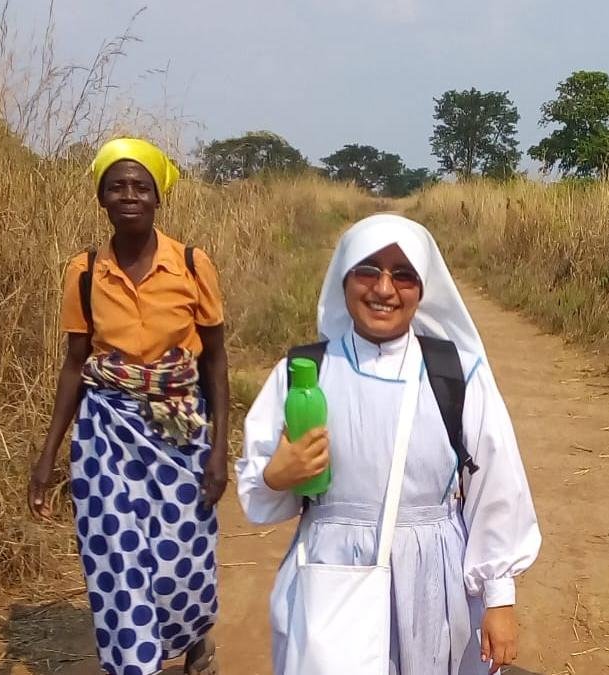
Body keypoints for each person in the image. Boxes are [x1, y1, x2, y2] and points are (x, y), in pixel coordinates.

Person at [236, 214, 541, 674]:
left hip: (433, 579)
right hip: (331, 573)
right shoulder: (304, 374)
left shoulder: (456, 375)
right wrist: (277, 475)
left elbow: (497, 487)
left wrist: (499, 597)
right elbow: (259, 490)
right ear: (343, 280)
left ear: (423, 289)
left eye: (403, 275)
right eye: (367, 270)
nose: (384, 289)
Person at [28, 138, 229, 675]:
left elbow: (214, 361)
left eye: (141, 186)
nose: (129, 195)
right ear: (102, 197)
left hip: (180, 427)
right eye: (117, 186)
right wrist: (48, 457)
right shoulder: (85, 270)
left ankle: (192, 638)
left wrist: (219, 452)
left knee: (180, 560)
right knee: (115, 558)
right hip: (104, 429)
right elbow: (75, 363)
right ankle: (135, 663)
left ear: (159, 196)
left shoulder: (191, 263)